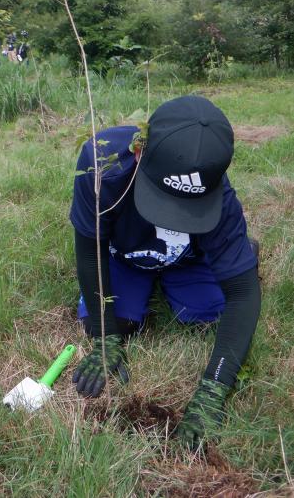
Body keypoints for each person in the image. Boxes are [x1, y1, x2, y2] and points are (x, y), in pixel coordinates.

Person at [70, 96, 261, 450]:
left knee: (208, 315)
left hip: (186, 259)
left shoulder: (222, 200)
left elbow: (244, 295)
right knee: (118, 321)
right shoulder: (102, 162)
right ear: (140, 152)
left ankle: (239, 251)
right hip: (123, 256)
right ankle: (134, 302)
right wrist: (105, 336)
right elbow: (89, 250)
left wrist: (213, 389)